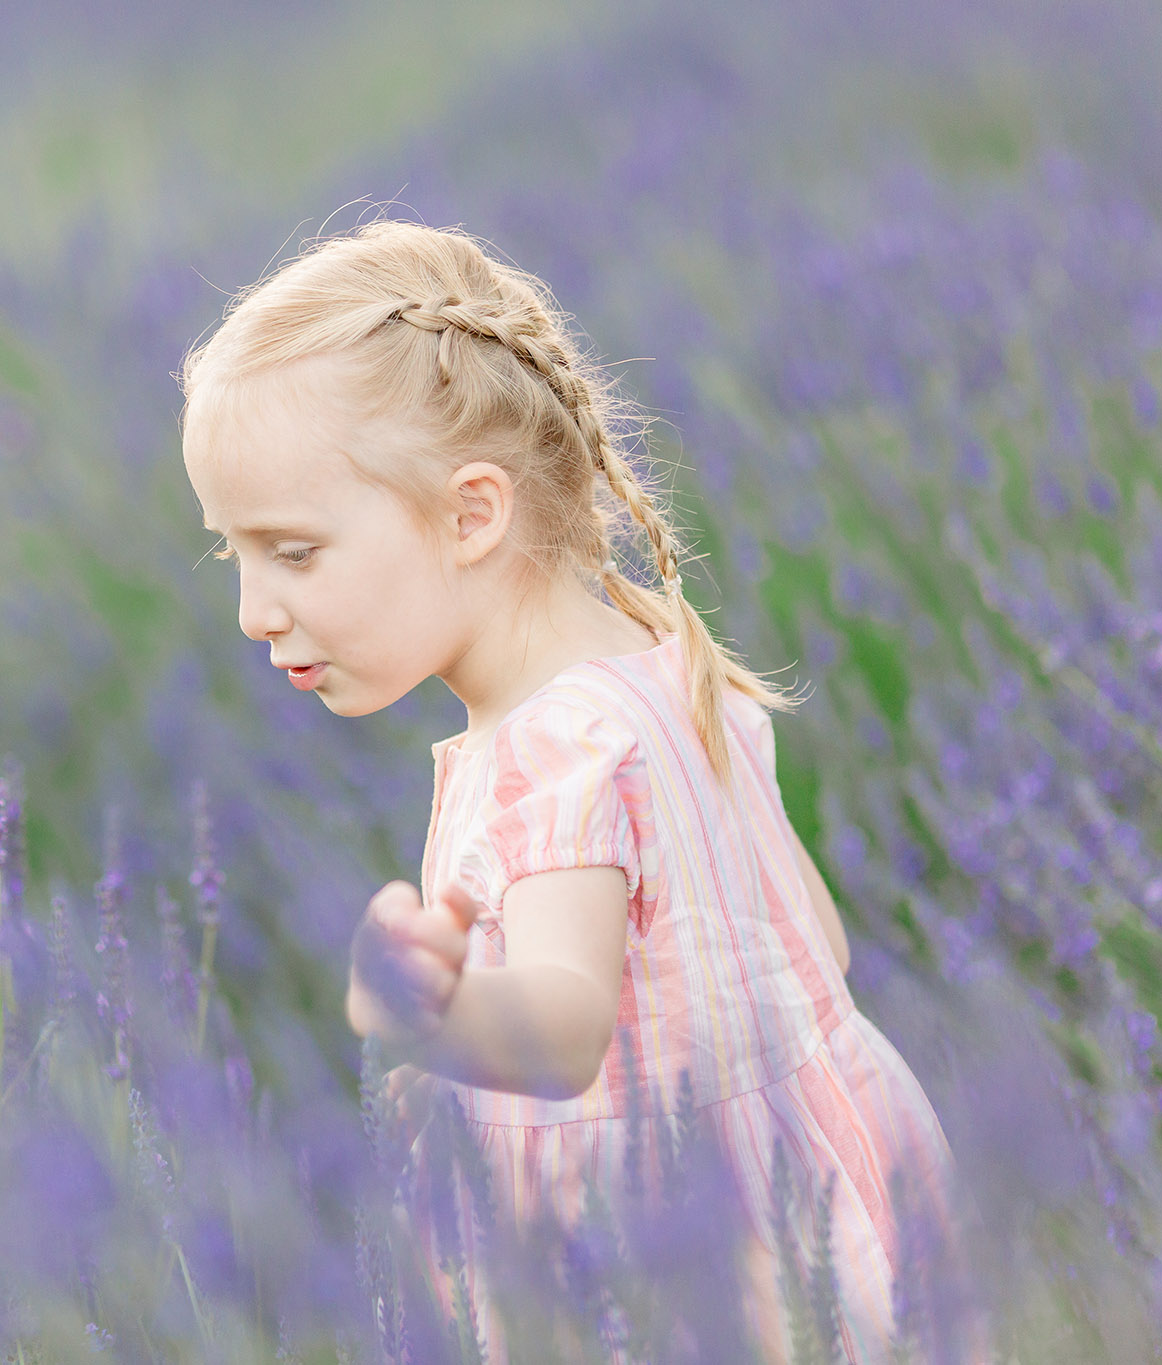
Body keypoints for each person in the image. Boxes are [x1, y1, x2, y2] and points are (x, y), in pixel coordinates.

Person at [178, 220, 966, 1362]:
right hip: (816, 1179)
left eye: (291, 552)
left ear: (470, 514)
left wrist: (432, 1012)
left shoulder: (549, 755)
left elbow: (559, 1032)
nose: (254, 609)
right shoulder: (665, 662)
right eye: (230, 556)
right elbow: (814, 947)